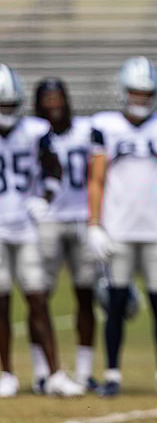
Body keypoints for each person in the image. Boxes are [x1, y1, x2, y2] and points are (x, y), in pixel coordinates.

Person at [87, 56, 157, 397]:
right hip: (118, 229)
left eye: (146, 94)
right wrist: (94, 224)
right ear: (123, 92)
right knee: (115, 304)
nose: (140, 100)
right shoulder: (105, 126)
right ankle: (113, 373)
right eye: (135, 93)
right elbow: (97, 180)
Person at [0, 64, 84, 397]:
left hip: (26, 225)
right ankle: (6, 372)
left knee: (38, 298)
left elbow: (53, 168)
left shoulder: (34, 130)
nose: (7, 112)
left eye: (10, 105)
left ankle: (54, 373)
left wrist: (45, 197)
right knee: (1, 302)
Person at [30, 77, 98, 392]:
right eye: (48, 99)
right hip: (46, 220)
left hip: (82, 218)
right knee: (38, 297)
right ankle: (42, 371)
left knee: (86, 295)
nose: (53, 104)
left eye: (58, 98)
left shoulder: (86, 130)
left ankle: (84, 372)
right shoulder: (30, 133)